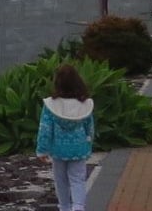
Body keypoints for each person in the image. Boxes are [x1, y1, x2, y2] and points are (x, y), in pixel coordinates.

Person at [38, 63, 95, 211]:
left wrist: (42, 150)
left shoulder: (51, 105)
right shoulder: (85, 104)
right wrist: (89, 144)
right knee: (78, 179)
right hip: (79, 148)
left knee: (60, 180)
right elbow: (89, 128)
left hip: (58, 150)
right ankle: (78, 207)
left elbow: (45, 128)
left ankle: (64, 207)